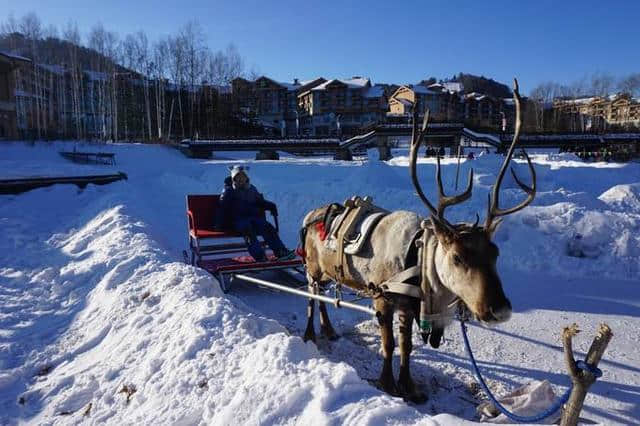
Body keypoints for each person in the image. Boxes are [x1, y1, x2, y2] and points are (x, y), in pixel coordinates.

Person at [217, 165, 295, 262]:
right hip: (238, 220)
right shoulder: (229, 190)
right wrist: (220, 223)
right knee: (249, 232)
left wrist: (270, 205)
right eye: (238, 177)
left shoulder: (251, 188)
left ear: (247, 178)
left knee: (267, 227)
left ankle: (280, 251)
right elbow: (223, 207)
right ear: (234, 178)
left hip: (253, 218)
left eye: (243, 177)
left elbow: (259, 201)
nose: (241, 179)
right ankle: (260, 256)